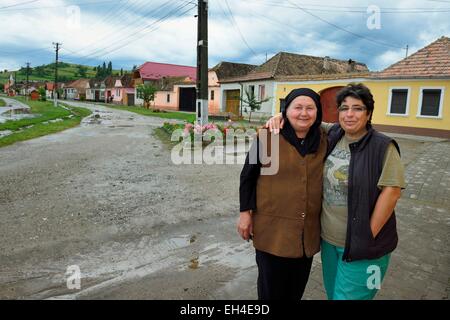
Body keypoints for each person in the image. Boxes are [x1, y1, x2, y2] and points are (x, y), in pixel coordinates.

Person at [265, 83, 405, 300]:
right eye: (344, 108)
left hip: (365, 249)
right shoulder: (334, 133)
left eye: (357, 108)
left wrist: (366, 237)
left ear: (368, 113)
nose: (349, 114)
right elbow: (305, 117)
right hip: (330, 243)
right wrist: (279, 115)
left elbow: (392, 192)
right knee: (334, 295)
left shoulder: (383, 146)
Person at [238, 88, 327, 300]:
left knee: (295, 292)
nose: (304, 113)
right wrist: (245, 214)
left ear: (318, 112)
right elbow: (247, 177)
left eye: (310, 108)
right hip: (272, 233)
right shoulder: (267, 137)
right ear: (286, 110)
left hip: (306, 236)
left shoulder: (325, 138)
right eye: (297, 107)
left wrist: (280, 115)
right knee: (270, 293)